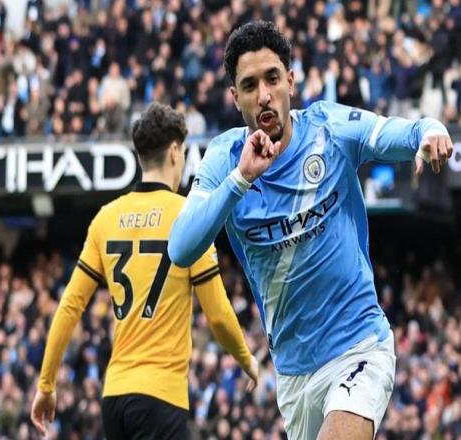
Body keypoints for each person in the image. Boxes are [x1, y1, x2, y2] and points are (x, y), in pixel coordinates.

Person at [168, 21, 453, 440]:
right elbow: (180, 248)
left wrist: (431, 130)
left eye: (272, 78)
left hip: (359, 346)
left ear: (291, 81)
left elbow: (398, 132)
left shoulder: (328, 129)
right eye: (249, 85)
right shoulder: (225, 158)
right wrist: (241, 179)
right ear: (234, 97)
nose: (264, 95)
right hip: (294, 373)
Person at [31, 102, 259, 440]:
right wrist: (246, 359)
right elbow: (218, 315)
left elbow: (69, 306)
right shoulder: (188, 217)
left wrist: (46, 384)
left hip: (115, 397)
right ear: (174, 152)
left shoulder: (106, 218)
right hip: (161, 397)